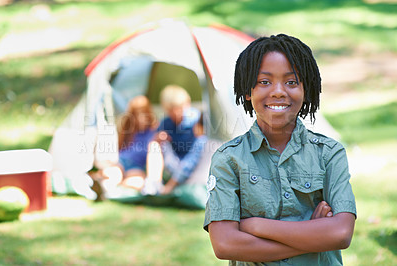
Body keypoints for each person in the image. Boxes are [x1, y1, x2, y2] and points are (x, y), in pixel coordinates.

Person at [204, 34, 356, 265]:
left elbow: (340, 234)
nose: (278, 91)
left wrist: (255, 226)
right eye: (265, 82)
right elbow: (225, 244)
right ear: (248, 90)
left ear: (307, 90)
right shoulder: (229, 159)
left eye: (291, 82)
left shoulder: (329, 153)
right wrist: (313, 233)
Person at [91, 95, 157, 197]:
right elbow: (119, 149)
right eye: (136, 115)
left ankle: (114, 186)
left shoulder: (154, 132)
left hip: (137, 167)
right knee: (113, 175)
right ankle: (102, 187)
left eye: (143, 114)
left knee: (138, 183)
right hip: (122, 163)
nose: (140, 118)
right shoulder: (128, 131)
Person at [147, 85, 204, 195]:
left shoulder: (198, 120)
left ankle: (169, 186)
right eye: (172, 110)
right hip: (173, 164)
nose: (177, 112)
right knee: (155, 144)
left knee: (202, 142)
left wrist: (170, 185)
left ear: (187, 104)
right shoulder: (166, 123)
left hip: (194, 167)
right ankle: (153, 185)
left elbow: (193, 158)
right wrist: (157, 139)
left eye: (180, 108)